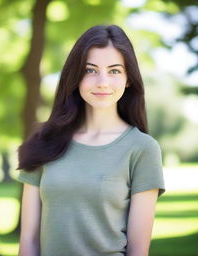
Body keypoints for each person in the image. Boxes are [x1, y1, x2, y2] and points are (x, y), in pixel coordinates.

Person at [16, 24, 165, 256]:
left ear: (128, 79)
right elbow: (28, 241)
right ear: (75, 77)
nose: (102, 82)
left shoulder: (143, 149)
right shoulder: (43, 141)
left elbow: (138, 250)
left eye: (114, 71)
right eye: (90, 70)